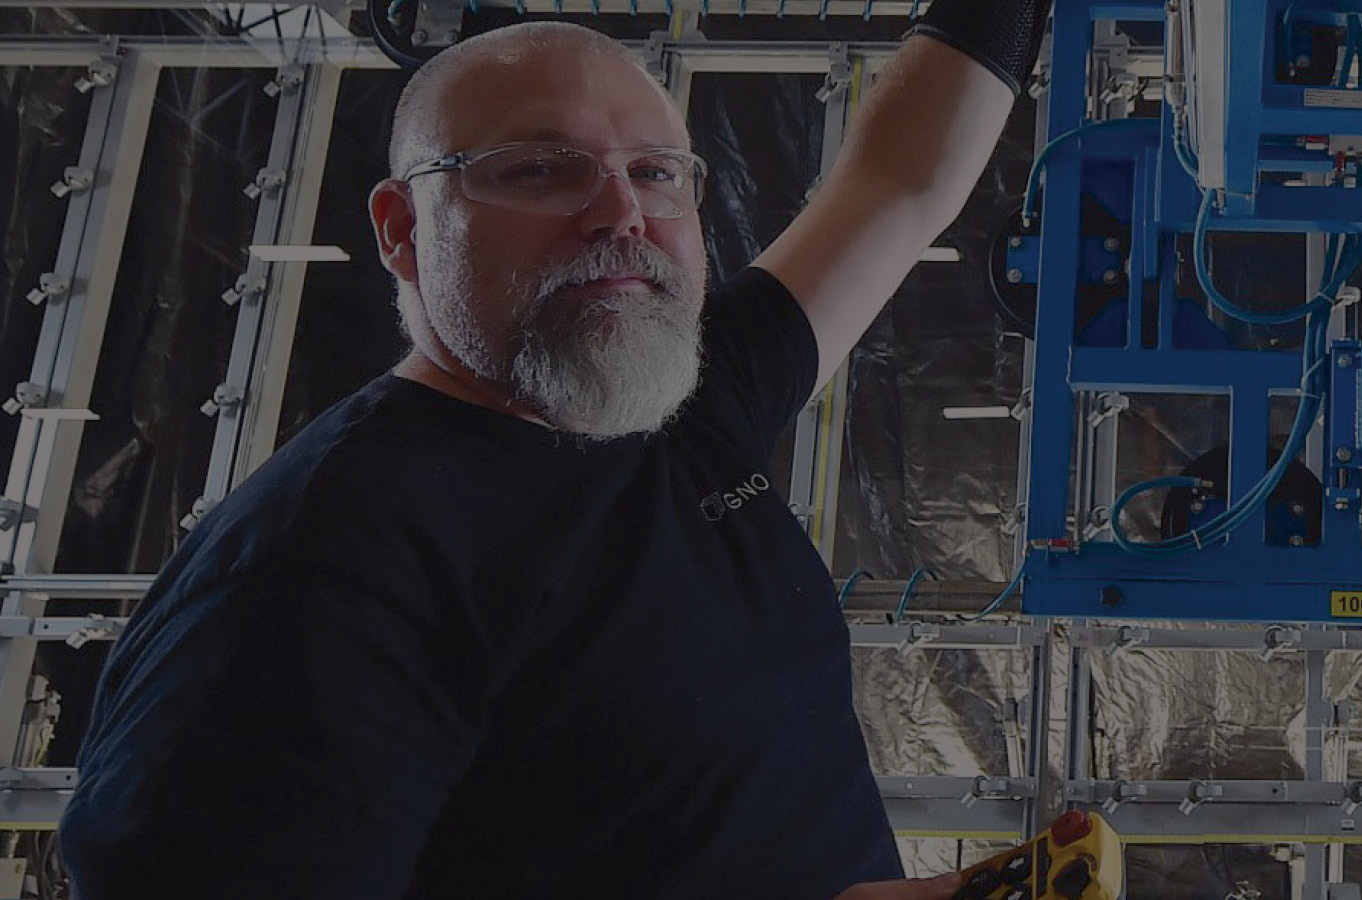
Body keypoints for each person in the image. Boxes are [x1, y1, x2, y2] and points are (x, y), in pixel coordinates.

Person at [57, 4, 1047, 897]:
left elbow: (900, 182)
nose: (621, 212)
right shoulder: (319, 570)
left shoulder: (676, 407)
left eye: (656, 172)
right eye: (539, 168)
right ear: (403, 230)